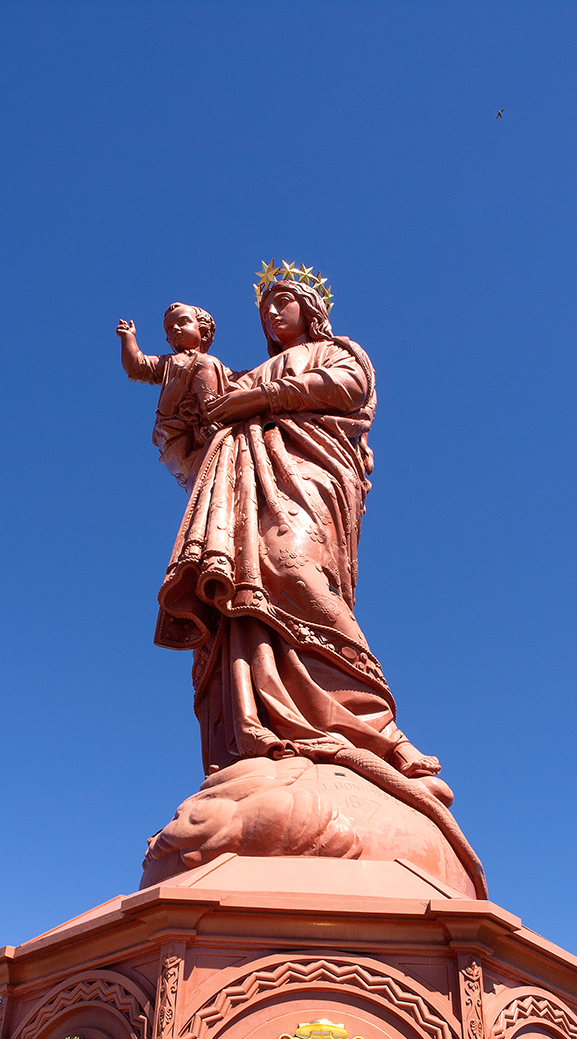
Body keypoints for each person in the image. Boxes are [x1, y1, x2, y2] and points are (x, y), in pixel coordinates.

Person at [152, 276, 443, 781]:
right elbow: (191, 432)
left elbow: (348, 388)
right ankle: (260, 730)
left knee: (298, 570)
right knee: (247, 588)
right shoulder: (241, 375)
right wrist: (186, 380)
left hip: (310, 469)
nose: (271, 314)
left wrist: (260, 400)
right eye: (265, 308)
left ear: (309, 308)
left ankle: (379, 734)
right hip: (247, 484)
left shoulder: (336, 351)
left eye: (282, 302)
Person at [116, 303, 231, 489]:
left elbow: (241, 381)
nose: (176, 328)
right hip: (172, 429)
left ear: (205, 332)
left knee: (209, 363)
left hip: (201, 432)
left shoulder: (217, 368)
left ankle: (210, 416)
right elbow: (136, 367)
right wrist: (127, 337)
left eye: (183, 322)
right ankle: (211, 414)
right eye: (170, 329)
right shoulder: (169, 362)